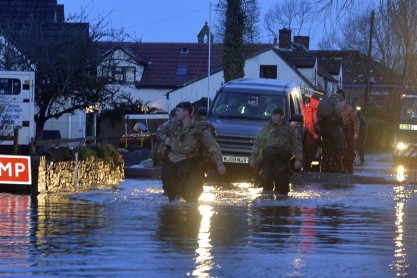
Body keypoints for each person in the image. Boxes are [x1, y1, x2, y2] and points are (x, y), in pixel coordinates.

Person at [159, 101, 226, 202]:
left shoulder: (198, 129)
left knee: (192, 196)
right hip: (173, 165)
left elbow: (212, 146)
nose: (175, 113)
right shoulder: (172, 126)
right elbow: (159, 131)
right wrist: (165, 138)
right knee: (172, 198)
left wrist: (219, 164)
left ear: (186, 113)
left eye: (178, 110)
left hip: (191, 164)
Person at [249, 107, 303, 194]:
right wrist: (252, 158)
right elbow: (257, 144)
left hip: (282, 161)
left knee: (282, 186)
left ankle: (282, 205)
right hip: (268, 160)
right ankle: (266, 205)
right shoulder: (266, 129)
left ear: (281, 116)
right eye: (273, 115)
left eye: (277, 115)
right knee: (266, 182)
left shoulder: (289, 129)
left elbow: (297, 145)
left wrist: (298, 160)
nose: (274, 117)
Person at [317, 89, 346, 172]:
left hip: (323, 127)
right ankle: (338, 165)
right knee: (340, 144)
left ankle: (327, 164)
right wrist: (341, 120)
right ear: (341, 96)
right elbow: (339, 113)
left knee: (326, 146)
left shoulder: (326, 99)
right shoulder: (337, 101)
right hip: (332, 127)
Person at [154, 108, 177, 194]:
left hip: (178, 152)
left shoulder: (183, 125)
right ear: (171, 117)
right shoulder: (166, 125)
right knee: (166, 172)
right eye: (174, 117)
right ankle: (167, 189)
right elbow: (159, 133)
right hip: (167, 152)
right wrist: (165, 138)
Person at [337, 90, 359, 173]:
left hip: (348, 129)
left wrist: (356, 133)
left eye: (341, 98)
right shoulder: (335, 109)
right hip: (339, 128)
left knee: (349, 147)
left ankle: (349, 165)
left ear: (344, 99)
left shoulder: (349, 110)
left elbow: (355, 121)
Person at [303, 95, 320, 171]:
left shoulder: (312, 109)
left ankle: (307, 166)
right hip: (310, 133)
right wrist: (314, 134)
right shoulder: (310, 109)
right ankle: (306, 167)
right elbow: (308, 123)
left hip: (312, 132)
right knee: (310, 150)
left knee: (311, 151)